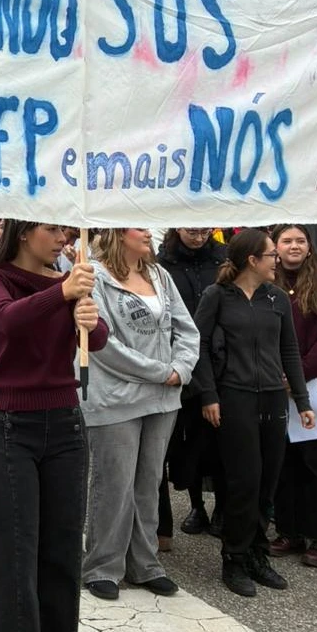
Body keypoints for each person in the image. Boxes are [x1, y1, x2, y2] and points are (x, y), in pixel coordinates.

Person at [0, 220, 108, 632]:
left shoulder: (67, 278)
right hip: (8, 428)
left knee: (58, 562)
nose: (62, 240)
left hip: (66, 425)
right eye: (53, 230)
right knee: (11, 563)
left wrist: (87, 314)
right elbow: (4, 324)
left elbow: (94, 341)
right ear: (24, 231)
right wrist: (62, 293)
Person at [192, 229, 315, 597]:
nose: (276, 260)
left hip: (274, 398)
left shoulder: (277, 298)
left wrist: (303, 402)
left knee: (267, 481)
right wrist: (208, 395)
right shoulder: (217, 297)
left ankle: (258, 554)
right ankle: (234, 556)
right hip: (234, 397)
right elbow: (197, 346)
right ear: (253, 260)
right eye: (271, 255)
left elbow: (289, 350)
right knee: (243, 480)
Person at [81, 228, 199, 601]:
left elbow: (186, 327)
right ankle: (102, 566)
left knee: (148, 483)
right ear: (117, 233)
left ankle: (145, 564)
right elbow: (103, 345)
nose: (148, 232)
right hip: (116, 398)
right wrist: (160, 372)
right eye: (138, 226)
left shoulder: (159, 275)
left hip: (163, 397)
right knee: (113, 485)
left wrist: (182, 366)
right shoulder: (94, 276)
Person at [268, 224, 317, 568]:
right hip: (274, 384)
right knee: (283, 460)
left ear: (311, 247)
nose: (294, 246)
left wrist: (299, 373)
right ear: (276, 247)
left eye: (300, 240)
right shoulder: (266, 286)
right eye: (287, 240)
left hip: (315, 385)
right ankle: (290, 530)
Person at [156, 227, 227, 536]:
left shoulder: (222, 258)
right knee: (190, 441)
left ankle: (223, 506)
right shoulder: (164, 262)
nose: (198, 237)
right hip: (181, 356)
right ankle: (197, 505)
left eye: (203, 232)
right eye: (191, 232)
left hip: (220, 355)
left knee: (221, 439)